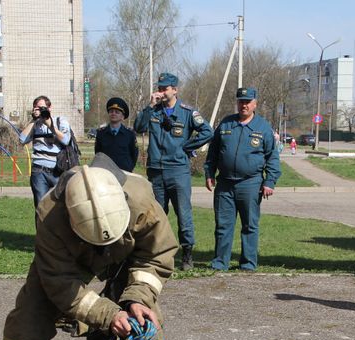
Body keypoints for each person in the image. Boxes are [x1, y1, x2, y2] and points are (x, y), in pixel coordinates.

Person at [0, 154, 178, 340]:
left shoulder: (142, 202)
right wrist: (108, 315)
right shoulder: (50, 216)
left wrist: (138, 299)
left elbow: (156, 256)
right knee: (29, 318)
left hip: (126, 258)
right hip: (71, 262)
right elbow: (59, 282)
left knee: (145, 321)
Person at [134, 72, 213, 270]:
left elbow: (208, 131)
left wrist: (188, 146)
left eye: (165, 89)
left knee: (183, 214)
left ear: (175, 90)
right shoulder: (154, 111)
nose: (161, 92)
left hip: (178, 171)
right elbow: (138, 127)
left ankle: (187, 254)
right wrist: (149, 105)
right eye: (159, 88)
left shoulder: (187, 112)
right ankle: (157, 253)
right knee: (156, 216)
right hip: (156, 171)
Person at [204, 87, 282, 271]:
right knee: (223, 225)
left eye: (247, 102)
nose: (244, 105)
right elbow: (213, 153)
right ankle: (220, 262)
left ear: (255, 104)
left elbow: (273, 157)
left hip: (251, 183)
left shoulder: (263, 128)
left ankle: (247, 263)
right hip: (225, 183)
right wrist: (209, 173)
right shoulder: (226, 124)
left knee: (250, 226)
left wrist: (269, 181)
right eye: (241, 101)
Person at [19, 95, 72, 212]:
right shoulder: (35, 125)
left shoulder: (60, 121)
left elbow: (66, 140)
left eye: (42, 108)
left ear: (50, 107)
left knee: (61, 207)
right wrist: (34, 120)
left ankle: (59, 230)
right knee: (41, 207)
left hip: (58, 170)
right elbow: (22, 139)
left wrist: (49, 124)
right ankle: (42, 230)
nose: (39, 110)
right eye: (36, 108)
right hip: (39, 171)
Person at [94, 97, 138, 172]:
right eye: (111, 111)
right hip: (106, 173)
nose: (113, 114)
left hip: (124, 172)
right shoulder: (101, 133)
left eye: (117, 112)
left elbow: (134, 155)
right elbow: (98, 153)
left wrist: (129, 167)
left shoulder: (130, 134)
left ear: (122, 117)